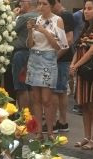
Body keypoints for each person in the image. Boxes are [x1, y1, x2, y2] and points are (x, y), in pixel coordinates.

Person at [26, 0, 68, 140]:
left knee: (47, 99)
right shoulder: (36, 19)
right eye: (39, 4)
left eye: (44, 4)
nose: (41, 7)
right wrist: (30, 31)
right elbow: (30, 44)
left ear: (51, 5)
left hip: (48, 58)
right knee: (36, 98)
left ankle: (50, 131)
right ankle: (39, 132)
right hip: (34, 58)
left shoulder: (58, 20)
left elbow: (61, 45)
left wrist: (44, 31)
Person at [69, 0, 93, 150]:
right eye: (85, 8)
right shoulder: (87, 28)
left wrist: (76, 65)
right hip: (82, 71)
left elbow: (92, 51)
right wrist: (73, 65)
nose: (85, 11)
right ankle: (86, 137)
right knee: (84, 105)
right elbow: (79, 49)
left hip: (92, 72)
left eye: (89, 8)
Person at [51, 0, 75, 133]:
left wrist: (55, 56)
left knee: (58, 90)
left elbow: (69, 40)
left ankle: (60, 121)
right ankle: (60, 121)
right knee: (58, 90)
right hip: (58, 58)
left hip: (62, 59)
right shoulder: (57, 17)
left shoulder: (65, 15)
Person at [11, 0, 38, 111]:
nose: (19, 4)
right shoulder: (40, 17)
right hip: (35, 54)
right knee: (31, 87)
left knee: (21, 87)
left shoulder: (24, 17)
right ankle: (31, 117)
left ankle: (23, 115)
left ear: (28, 2)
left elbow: (10, 30)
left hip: (21, 54)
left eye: (21, 1)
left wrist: (14, 15)